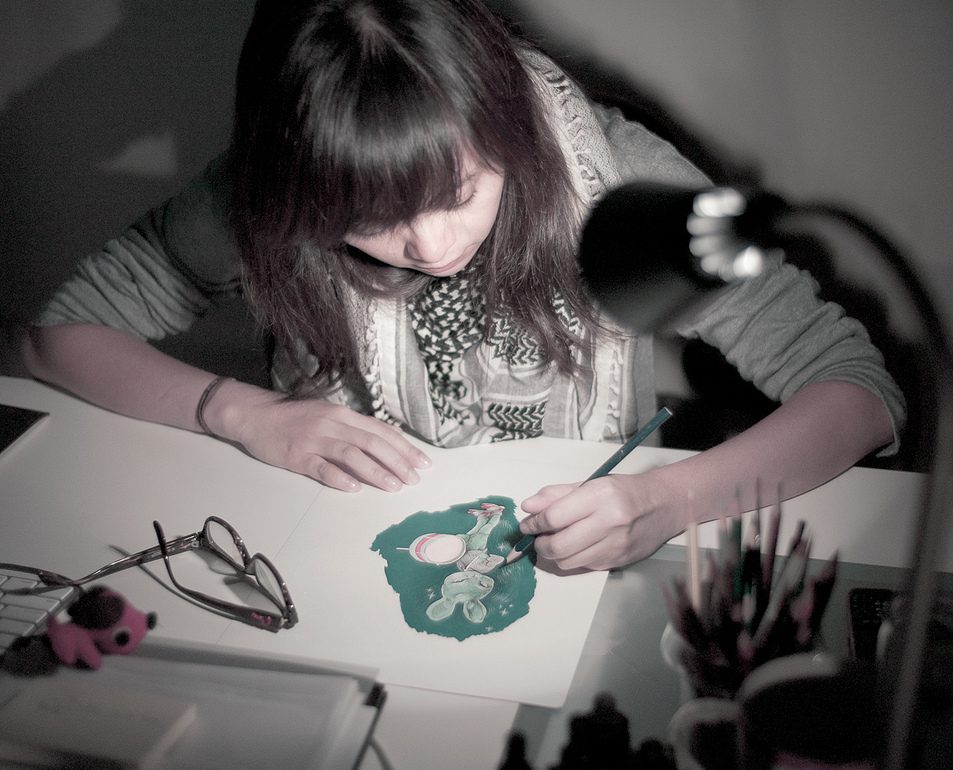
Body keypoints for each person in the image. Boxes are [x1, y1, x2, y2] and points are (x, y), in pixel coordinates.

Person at [22, 0, 904, 572]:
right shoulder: (263, 189)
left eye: (457, 193)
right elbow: (58, 336)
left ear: (504, 125)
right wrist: (244, 413)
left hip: (573, 562)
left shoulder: (622, 179)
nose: (431, 245)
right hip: (323, 556)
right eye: (366, 219)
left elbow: (859, 392)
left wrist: (670, 501)